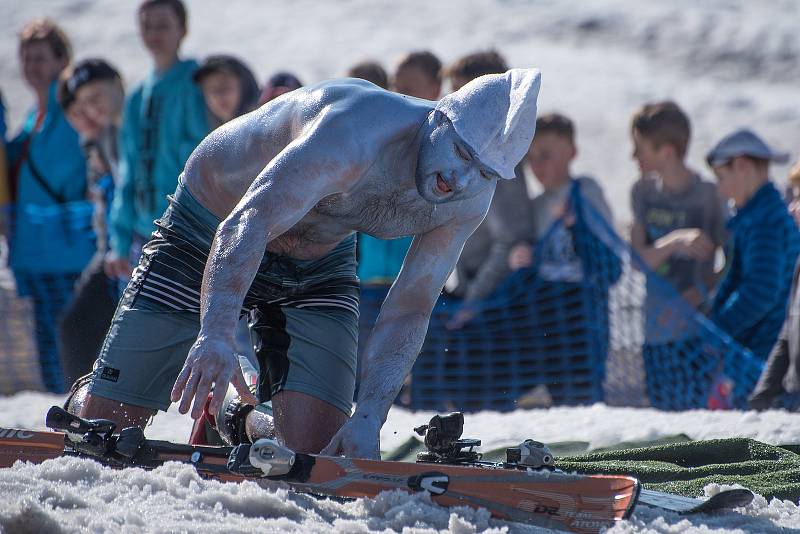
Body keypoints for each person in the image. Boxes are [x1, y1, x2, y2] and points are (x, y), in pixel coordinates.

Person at [69, 69, 542, 459]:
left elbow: (412, 307)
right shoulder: (355, 131)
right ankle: (94, 388)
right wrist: (215, 331)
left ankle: (235, 412)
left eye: (483, 172)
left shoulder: (470, 197)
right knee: (101, 431)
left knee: (319, 455)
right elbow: (248, 223)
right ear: (439, 116)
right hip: (211, 226)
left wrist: (369, 417)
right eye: (460, 152)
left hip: (315, 258)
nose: (458, 180)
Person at [508, 113, 618, 404]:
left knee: (584, 394)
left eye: (546, 155)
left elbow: (611, 263)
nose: (537, 166)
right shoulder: (536, 205)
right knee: (557, 393)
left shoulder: (586, 192)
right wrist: (521, 259)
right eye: (531, 158)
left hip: (584, 311)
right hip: (548, 312)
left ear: (572, 153)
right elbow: (534, 261)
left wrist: (576, 226)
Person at [6, 20, 90, 393]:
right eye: (26, 58)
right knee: (51, 350)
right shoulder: (34, 117)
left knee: (70, 352)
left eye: (40, 58)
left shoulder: (72, 115)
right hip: (38, 252)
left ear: (61, 61)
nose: (31, 66)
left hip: (66, 252)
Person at [628, 101, 728, 409]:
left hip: (696, 333)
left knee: (698, 422)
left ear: (667, 152)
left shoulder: (709, 195)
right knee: (661, 419)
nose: (633, 156)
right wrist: (673, 242)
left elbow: (733, 261)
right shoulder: (641, 193)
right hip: (653, 331)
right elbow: (636, 260)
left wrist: (699, 293)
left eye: (640, 147)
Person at [105, 0, 208, 283]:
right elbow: (128, 174)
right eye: (146, 26)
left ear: (182, 29)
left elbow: (204, 157)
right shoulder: (137, 96)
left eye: (162, 25)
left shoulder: (195, 81)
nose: (153, 35)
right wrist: (120, 242)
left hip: (188, 234)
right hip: (143, 233)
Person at [442, 50, 536, 328]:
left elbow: (510, 241)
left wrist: (472, 303)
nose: (453, 102)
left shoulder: (502, 161)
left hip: (496, 306)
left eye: (463, 92)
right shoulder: (472, 154)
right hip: (471, 293)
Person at [56, 59, 125, 386]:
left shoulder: (121, 133)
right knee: (78, 325)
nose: (84, 115)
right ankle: (84, 399)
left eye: (90, 103)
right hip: (113, 249)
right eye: (74, 109)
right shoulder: (95, 144)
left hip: (129, 247)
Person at [707, 129, 800, 361]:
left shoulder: (765, 222)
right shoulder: (758, 216)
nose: (720, 189)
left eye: (721, 178)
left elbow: (760, 292)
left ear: (742, 166)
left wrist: (717, 331)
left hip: (764, 357)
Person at [193, 55, 260, 129]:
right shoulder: (207, 136)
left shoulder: (267, 126)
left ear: (245, 85)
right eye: (211, 89)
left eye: (225, 85)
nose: (218, 96)